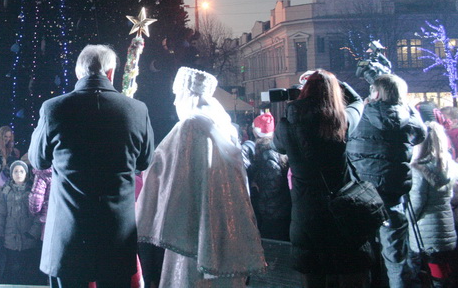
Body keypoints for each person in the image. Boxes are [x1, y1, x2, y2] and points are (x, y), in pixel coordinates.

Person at [28, 44, 155, 288]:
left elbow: (38, 159)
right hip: (116, 236)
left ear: (79, 73)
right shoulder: (137, 110)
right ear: (111, 73)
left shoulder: (54, 109)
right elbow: (144, 161)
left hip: (69, 236)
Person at [136, 67, 265, 288]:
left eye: (177, 95)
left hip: (193, 232)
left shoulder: (191, 125)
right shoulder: (222, 125)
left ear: (188, 94)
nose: (175, 102)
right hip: (223, 231)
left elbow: (167, 171)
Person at [274, 69, 374, 288]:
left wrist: (295, 106)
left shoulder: (286, 125)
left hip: (306, 212)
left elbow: (278, 146)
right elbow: (358, 101)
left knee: (314, 278)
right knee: (349, 275)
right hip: (341, 210)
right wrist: (333, 81)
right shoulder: (341, 121)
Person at [347, 73, 426, 288]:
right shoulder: (408, 117)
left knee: (360, 254)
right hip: (393, 196)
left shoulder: (361, 114)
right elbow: (421, 135)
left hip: (361, 194)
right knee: (395, 255)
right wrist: (408, 106)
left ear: (376, 93)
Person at [408, 121, 458, 287]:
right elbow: (450, 196)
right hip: (446, 227)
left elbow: (416, 203)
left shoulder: (419, 169)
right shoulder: (449, 167)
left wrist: (406, 221)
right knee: (443, 274)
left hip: (426, 231)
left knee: (429, 275)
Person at [0, 159, 38, 285]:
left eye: (22, 171)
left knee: (28, 271)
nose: (19, 174)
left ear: (26, 174)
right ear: (11, 174)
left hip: (28, 240)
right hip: (10, 240)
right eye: (16, 171)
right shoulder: (6, 192)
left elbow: (38, 216)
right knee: (12, 270)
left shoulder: (32, 191)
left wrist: (33, 233)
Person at [248, 111, 291, 241]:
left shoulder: (267, 153)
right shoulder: (275, 148)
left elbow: (272, 185)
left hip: (273, 214)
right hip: (280, 210)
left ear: (256, 132)